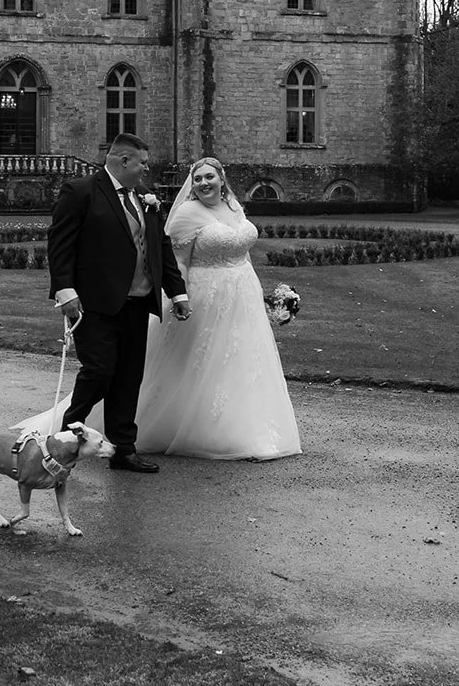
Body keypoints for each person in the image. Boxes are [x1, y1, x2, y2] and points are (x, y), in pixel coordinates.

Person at [135, 157, 301, 461]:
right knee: (200, 359)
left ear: (222, 178)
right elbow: (179, 262)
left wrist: (262, 298)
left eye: (209, 177)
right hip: (205, 295)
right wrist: (178, 297)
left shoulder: (234, 207)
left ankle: (246, 431)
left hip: (243, 293)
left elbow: (243, 253)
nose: (203, 183)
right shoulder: (187, 213)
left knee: (241, 360)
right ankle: (187, 426)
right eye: (197, 179)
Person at [44, 133, 190, 473]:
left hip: (138, 304)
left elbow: (160, 247)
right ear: (123, 161)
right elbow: (60, 244)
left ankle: (123, 449)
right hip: (93, 304)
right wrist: (65, 291)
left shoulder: (145, 199)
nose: (146, 168)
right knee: (99, 372)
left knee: (128, 377)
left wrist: (177, 291)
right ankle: (67, 436)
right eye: (142, 162)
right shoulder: (80, 192)